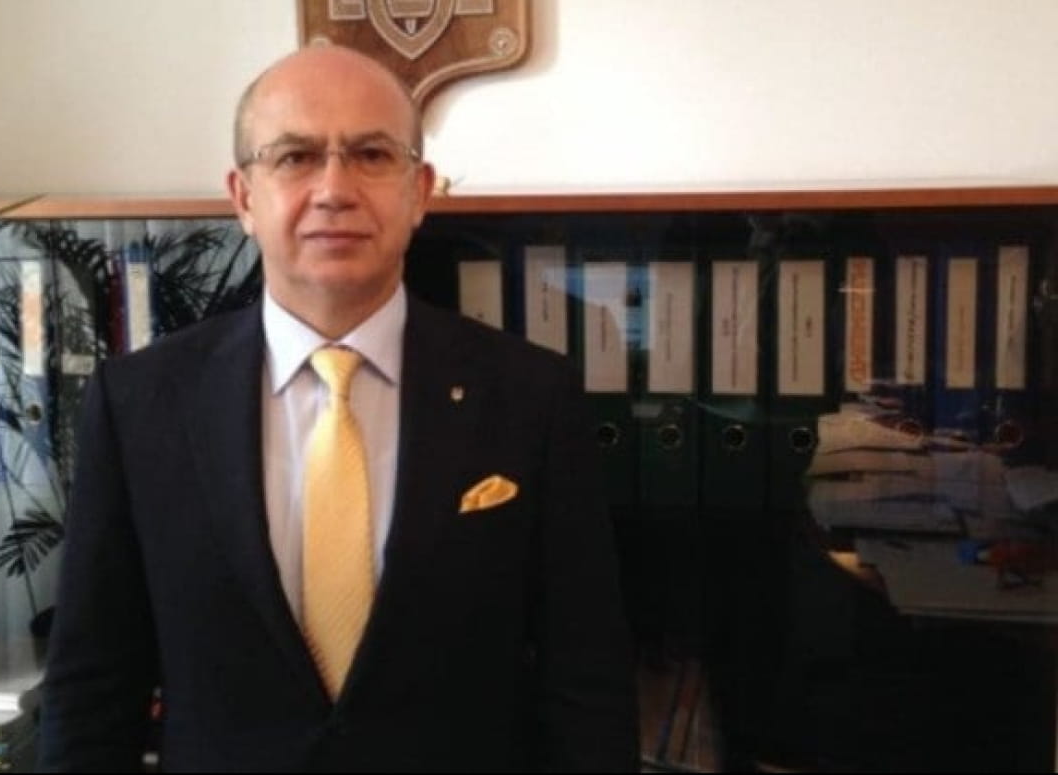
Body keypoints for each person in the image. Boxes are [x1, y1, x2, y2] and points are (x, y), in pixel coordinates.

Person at [38, 43, 638, 772]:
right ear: (243, 197)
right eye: (295, 157)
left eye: (372, 155)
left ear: (419, 191)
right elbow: (93, 691)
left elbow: (587, 685)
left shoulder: (531, 397)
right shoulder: (139, 404)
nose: (334, 189)